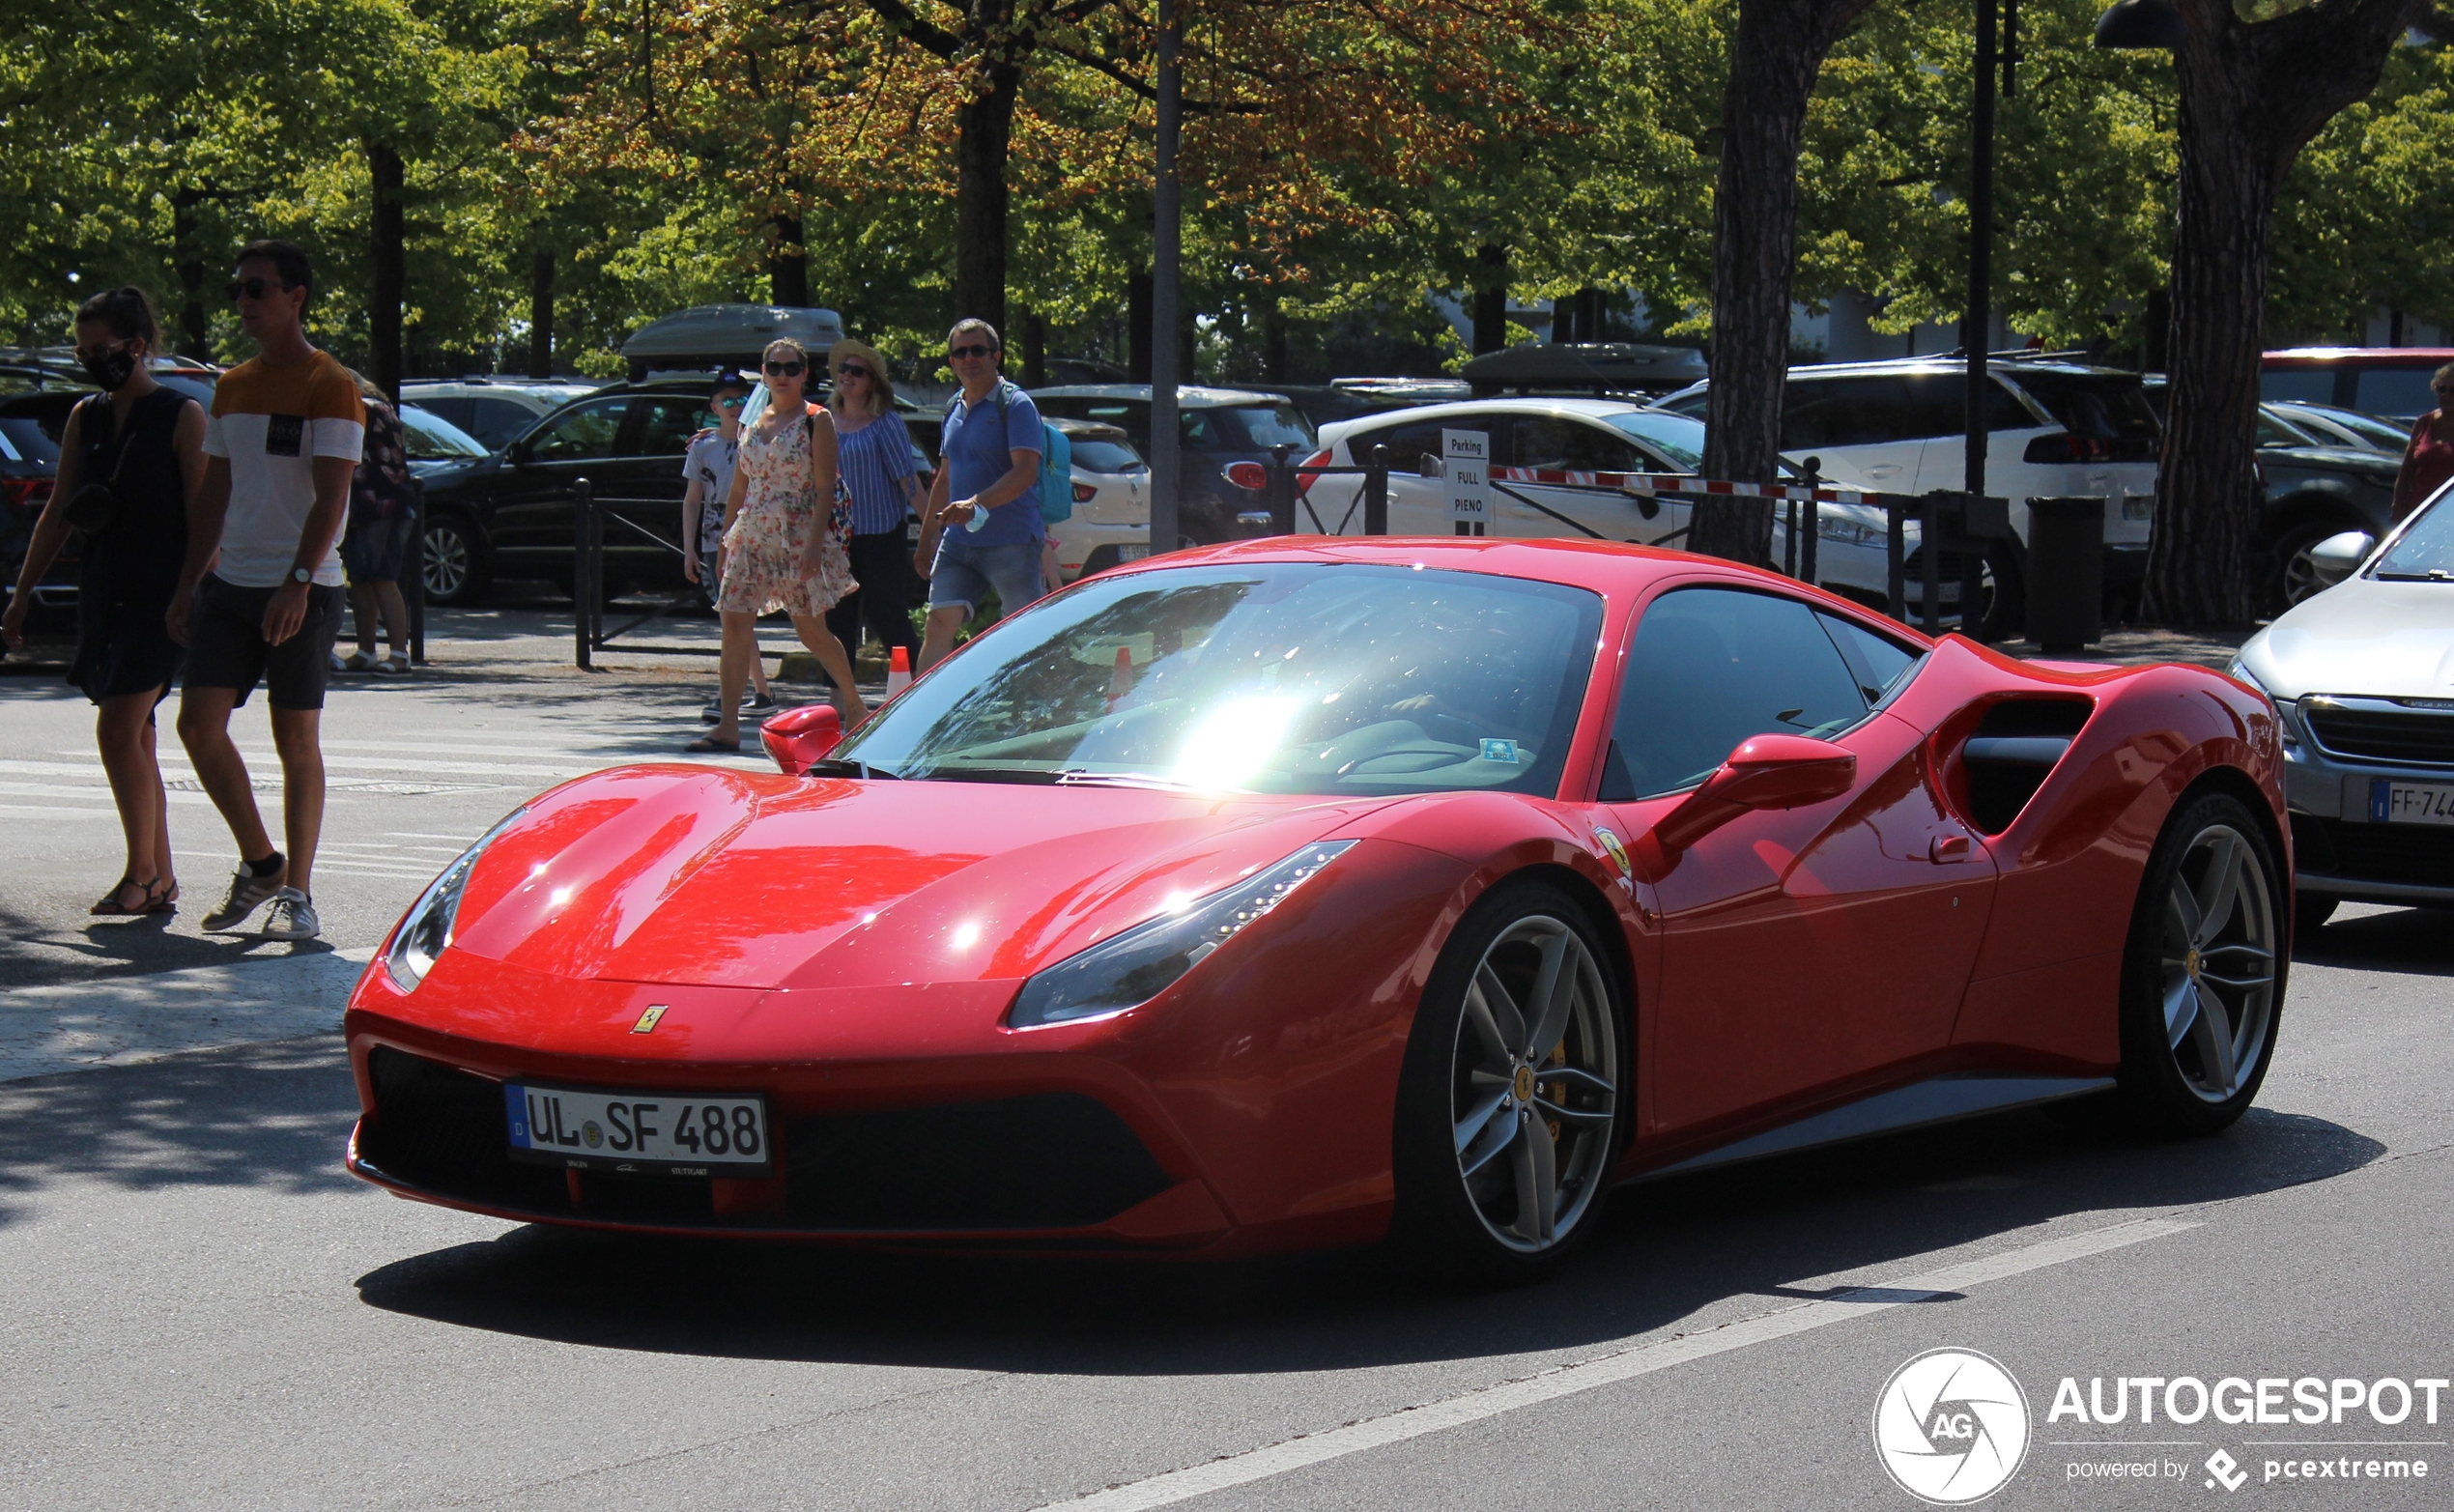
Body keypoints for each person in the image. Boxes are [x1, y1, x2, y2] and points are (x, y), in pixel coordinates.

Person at [168, 239, 361, 941]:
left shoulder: (328, 383)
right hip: (232, 582)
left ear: (295, 298)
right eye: (237, 289)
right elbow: (215, 490)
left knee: (294, 738)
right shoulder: (233, 384)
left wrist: (299, 583)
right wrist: (190, 582)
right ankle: (261, 863)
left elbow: (332, 495)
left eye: (257, 289)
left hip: (302, 585)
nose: (244, 302)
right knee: (196, 724)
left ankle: (299, 891)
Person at [1, 286, 206, 916]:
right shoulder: (86, 417)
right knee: (136, 739)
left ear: (136, 345)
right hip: (105, 590)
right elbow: (60, 512)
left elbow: (205, 517)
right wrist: (21, 594)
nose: (91, 358)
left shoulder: (181, 415)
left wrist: (190, 593)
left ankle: (140, 874)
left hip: (161, 597)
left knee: (117, 728)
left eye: (101, 348)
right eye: (83, 349)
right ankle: (161, 876)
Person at [689, 337, 868, 753]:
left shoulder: (816, 419)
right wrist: (727, 540)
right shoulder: (753, 418)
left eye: (792, 368)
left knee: (811, 630)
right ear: (764, 372)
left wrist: (812, 547)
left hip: (798, 532)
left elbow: (825, 489)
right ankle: (727, 726)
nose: (782, 375)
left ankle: (855, 705)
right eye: (775, 367)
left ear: (805, 374)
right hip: (751, 533)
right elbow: (740, 485)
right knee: (734, 623)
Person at [915, 319, 1045, 672]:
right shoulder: (953, 408)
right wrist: (927, 537)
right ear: (951, 362)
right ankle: (921, 720)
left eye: (978, 350)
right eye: (961, 352)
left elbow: (1024, 472)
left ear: (996, 357)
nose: (969, 358)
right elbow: (944, 477)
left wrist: (975, 504)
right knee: (938, 624)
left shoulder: (1015, 405)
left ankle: (1031, 709)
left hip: (1012, 541)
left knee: (1022, 634)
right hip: (958, 543)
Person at [823, 338, 923, 675]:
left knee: (888, 615)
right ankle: (839, 699)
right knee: (836, 618)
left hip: (881, 534)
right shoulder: (823, 421)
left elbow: (908, 480)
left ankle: (915, 685)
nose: (847, 375)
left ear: (872, 383)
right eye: (843, 369)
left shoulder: (885, 422)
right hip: (836, 536)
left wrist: (934, 530)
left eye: (857, 371)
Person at [681, 371, 776, 723]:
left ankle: (732, 695)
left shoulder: (758, 441)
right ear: (714, 407)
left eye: (741, 400)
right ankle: (761, 691)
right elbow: (692, 500)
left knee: (735, 619)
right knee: (733, 620)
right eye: (727, 401)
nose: (735, 407)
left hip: (749, 540)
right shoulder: (702, 449)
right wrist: (689, 549)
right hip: (711, 542)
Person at [332, 368, 415, 675]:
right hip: (378, 502)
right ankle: (366, 651)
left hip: (379, 503)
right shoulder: (381, 407)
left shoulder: (360, 408)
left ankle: (399, 653)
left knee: (381, 577)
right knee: (363, 579)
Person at [2391, 361, 2454, 524]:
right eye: (2442, 389)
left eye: (2453, 390)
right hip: (2419, 515)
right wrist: (2397, 511)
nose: (2446, 395)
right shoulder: (2424, 423)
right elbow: (2405, 475)